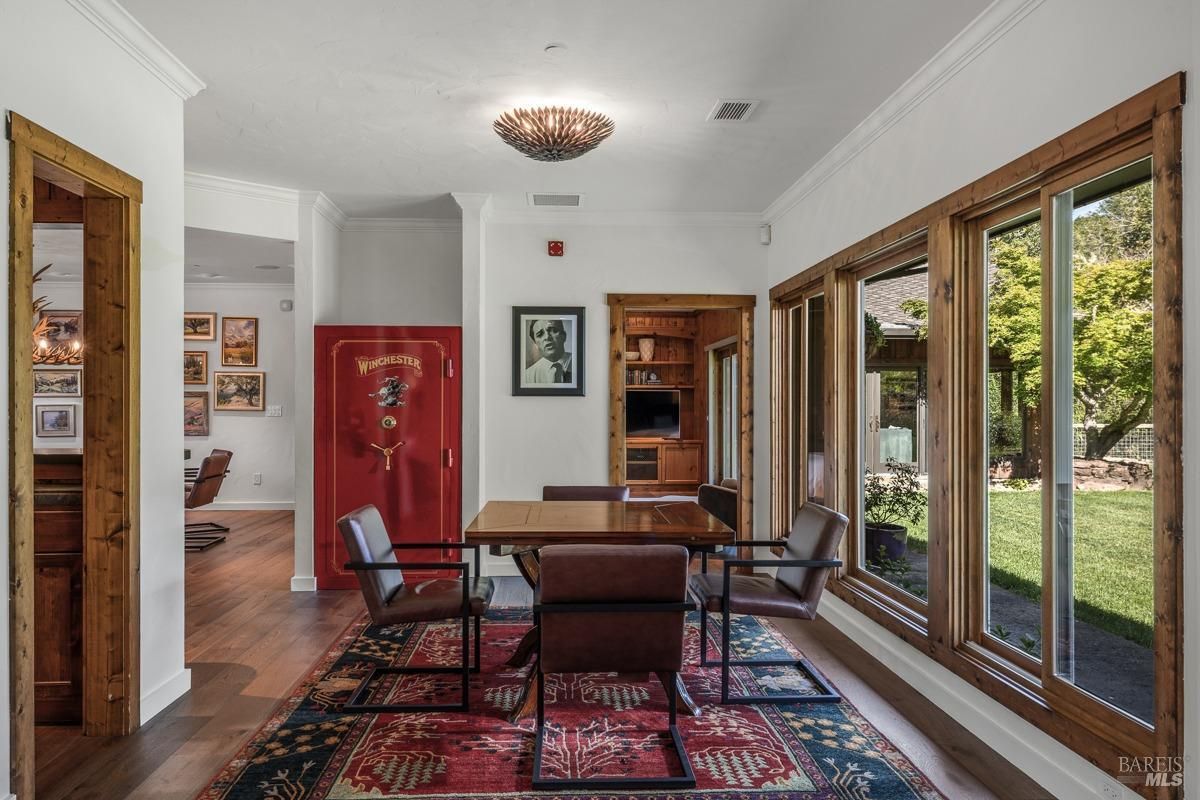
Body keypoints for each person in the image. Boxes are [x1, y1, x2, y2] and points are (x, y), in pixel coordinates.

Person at [523, 318, 573, 384]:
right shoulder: (527, 376)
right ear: (536, 344)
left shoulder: (582, 364)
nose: (547, 337)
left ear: (563, 336)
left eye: (553, 330)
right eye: (540, 334)